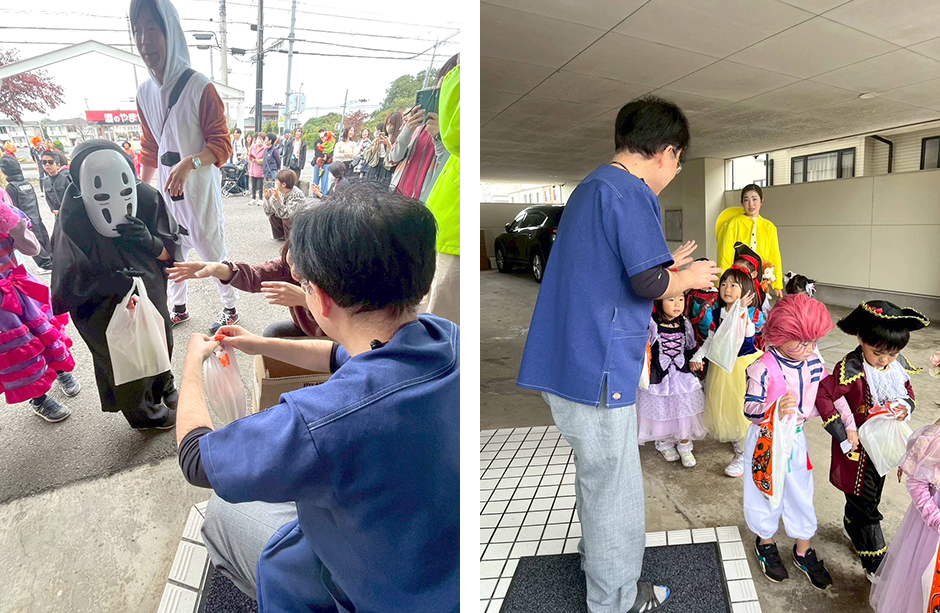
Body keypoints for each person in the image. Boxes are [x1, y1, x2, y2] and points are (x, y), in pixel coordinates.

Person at [174, 181, 458, 611]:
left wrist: (191, 366)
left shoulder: (321, 421)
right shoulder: (445, 338)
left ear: (319, 299)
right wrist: (262, 344)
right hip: (439, 563)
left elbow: (196, 458)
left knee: (221, 513)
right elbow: (338, 354)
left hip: (375, 591)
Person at [517, 96, 721, 613]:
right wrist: (687, 277)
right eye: (678, 161)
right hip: (598, 368)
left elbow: (617, 270)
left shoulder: (592, 187)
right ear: (667, 153)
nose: (674, 171)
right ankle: (615, 600)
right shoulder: (632, 193)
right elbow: (647, 281)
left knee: (597, 474)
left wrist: (664, 264)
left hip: (566, 362)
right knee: (616, 490)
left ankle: (596, 565)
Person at [51, 139, 181, 430]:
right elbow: (68, 282)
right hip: (101, 302)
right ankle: (145, 415)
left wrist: (150, 241)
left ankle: (163, 386)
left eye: (124, 191)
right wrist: (105, 284)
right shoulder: (73, 215)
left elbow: (170, 253)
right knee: (123, 357)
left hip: (148, 286)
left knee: (158, 337)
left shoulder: (146, 198)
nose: (114, 200)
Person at [132, 0, 238, 333]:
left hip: (199, 194)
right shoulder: (144, 92)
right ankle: (179, 307)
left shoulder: (199, 86)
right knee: (173, 255)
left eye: (152, 28)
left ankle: (230, 309)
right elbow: (150, 147)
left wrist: (190, 163)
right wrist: (138, 192)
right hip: (166, 195)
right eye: (137, 31)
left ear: (170, 33)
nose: (144, 40)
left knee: (212, 253)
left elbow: (222, 145)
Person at [742, 294, 851, 591]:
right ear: (779, 336)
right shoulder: (762, 367)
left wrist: (850, 426)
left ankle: (803, 548)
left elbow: (828, 393)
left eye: (813, 342)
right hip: (766, 440)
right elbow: (750, 410)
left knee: (801, 492)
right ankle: (765, 541)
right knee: (765, 489)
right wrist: (775, 409)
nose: (808, 349)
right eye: (801, 342)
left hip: (797, 439)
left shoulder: (813, 361)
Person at [816, 301, 928, 580]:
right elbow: (823, 395)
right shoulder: (850, 369)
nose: (885, 361)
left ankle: (852, 524)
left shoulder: (896, 365)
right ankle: (874, 560)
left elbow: (908, 391)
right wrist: (844, 433)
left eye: (893, 354)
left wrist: (906, 407)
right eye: (878, 352)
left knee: (870, 495)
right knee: (865, 504)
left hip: (882, 447)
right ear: (860, 338)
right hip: (856, 452)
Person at [0, 189, 79, 422]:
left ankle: (60, 369)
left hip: (20, 287)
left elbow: (33, 249)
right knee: (20, 351)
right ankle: (39, 398)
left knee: (46, 333)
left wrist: (14, 226)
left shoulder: (5, 208)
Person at [690, 266, 765, 477]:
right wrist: (698, 355)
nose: (727, 288)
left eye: (734, 285)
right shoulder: (716, 312)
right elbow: (712, 339)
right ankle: (740, 451)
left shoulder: (749, 313)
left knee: (744, 409)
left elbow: (747, 333)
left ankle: (748, 452)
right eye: (723, 284)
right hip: (722, 368)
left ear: (746, 289)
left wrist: (741, 311)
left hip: (743, 366)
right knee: (729, 411)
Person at [167, 241, 324, 339]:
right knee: (273, 333)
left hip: (335, 337)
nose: (295, 270)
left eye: (304, 266)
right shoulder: (284, 267)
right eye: (293, 260)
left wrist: (306, 300)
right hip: (308, 329)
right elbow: (254, 276)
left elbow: (344, 327)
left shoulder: (336, 278)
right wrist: (215, 268)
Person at [870, 419, 940, 612]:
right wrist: (936, 519)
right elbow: (916, 482)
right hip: (932, 532)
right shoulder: (935, 438)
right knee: (923, 584)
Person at [637, 292, 705, 468]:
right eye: (671, 300)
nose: (677, 304)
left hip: (682, 376)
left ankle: (684, 445)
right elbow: (645, 349)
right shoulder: (651, 323)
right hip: (660, 377)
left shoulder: (685, 323)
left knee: (684, 410)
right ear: (659, 301)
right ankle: (664, 442)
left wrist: (695, 361)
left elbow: (690, 347)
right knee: (662, 410)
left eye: (681, 299)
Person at [422, 61, 460, 324]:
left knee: (438, 328)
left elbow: (456, 136)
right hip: (441, 234)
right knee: (429, 319)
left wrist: (458, 71)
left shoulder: (453, 132)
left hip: (453, 239)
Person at [391, 54, 458, 201]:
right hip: (398, 195)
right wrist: (407, 130)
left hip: (425, 200)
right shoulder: (416, 123)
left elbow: (445, 169)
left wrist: (439, 138)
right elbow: (394, 157)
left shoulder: (453, 128)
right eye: (442, 78)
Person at [717, 184, 784, 294]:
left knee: (758, 309)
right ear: (742, 202)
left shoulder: (769, 227)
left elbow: (775, 255)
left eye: (754, 199)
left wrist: (777, 285)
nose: (751, 204)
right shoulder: (733, 224)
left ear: (762, 201)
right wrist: (723, 282)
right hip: (738, 279)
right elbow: (725, 255)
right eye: (746, 200)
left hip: (761, 280)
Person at [0, 156, 53, 271]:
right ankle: (51, 260)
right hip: (36, 216)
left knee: (33, 242)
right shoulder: (26, 183)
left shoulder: (11, 187)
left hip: (25, 220)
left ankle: (46, 264)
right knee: (43, 237)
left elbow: (12, 208)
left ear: (4, 172)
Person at [262, 168, 305, 241]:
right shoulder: (279, 192)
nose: (275, 182)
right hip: (288, 215)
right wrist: (267, 199)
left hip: (301, 222)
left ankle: (292, 239)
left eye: (277, 180)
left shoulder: (297, 195)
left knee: (287, 219)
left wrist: (278, 200)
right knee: (273, 216)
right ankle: (280, 236)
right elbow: (268, 212)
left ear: (284, 184)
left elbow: (287, 214)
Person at [40, 149, 72, 217]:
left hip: (69, 214)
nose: (47, 164)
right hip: (57, 215)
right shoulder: (45, 181)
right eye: (44, 162)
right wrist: (52, 209)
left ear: (58, 165)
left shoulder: (65, 178)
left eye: (50, 162)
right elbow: (47, 198)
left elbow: (71, 197)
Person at [311, 127, 335, 196]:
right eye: (320, 132)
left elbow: (331, 152)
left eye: (323, 132)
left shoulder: (330, 141)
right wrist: (322, 156)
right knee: (316, 179)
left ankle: (324, 194)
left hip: (326, 163)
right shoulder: (317, 142)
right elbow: (317, 152)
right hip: (318, 162)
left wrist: (326, 157)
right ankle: (315, 194)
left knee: (325, 179)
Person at [248, 130, 266, 206]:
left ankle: (261, 199)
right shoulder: (253, 146)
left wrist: (257, 160)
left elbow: (264, 160)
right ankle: (253, 198)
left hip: (260, 169)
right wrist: (251, 158)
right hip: (253, 168)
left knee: (260, 185)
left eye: (261, 138)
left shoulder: (265, 148)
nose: (259, 140)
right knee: (253, 185)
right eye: (258, 138)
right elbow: (249, 154)